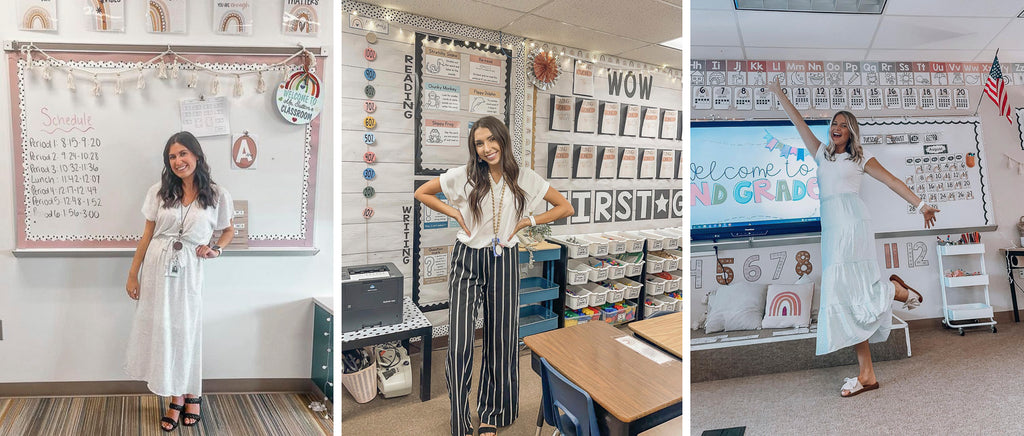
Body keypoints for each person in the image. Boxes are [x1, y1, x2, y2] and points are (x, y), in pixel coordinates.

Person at [769, 81, 939, 397]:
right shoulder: (821, 153)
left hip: (852, 224)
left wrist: (921, 205)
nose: (837, 128)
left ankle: (895, 291)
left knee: (850, 291)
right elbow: (799, 123)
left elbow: (891, 180)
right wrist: (780, 95)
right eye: (834, 123)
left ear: (851, 133)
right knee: (846, 299)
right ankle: (868, 374)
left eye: (844, 126)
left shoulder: (860, 158)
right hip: (832, 227)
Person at [414, 116, 574, 436]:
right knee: (459, 343)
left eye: (491, 140)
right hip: (467, 260)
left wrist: (527, 221)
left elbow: (564, 207)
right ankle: (459, 419)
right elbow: (423, 193)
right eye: (478, 144)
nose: (486, 148)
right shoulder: (464, 176)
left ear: (502, 139)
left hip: (505, 259)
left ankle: (492, 414)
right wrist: (455, 212)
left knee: (501, 340)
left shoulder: (524, 178)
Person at [123, 131, 234, 431]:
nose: (178, 161)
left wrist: (216, 249)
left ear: (197, 155)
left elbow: (228, 230)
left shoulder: (217, 194)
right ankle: (175, 397)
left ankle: (193, 394)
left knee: (187, 331)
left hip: (189, 271)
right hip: (157, 269)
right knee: (165, 332)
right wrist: (133, 274)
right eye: (172, 156)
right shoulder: (159, 191)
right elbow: (147, 235)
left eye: (183, 153)